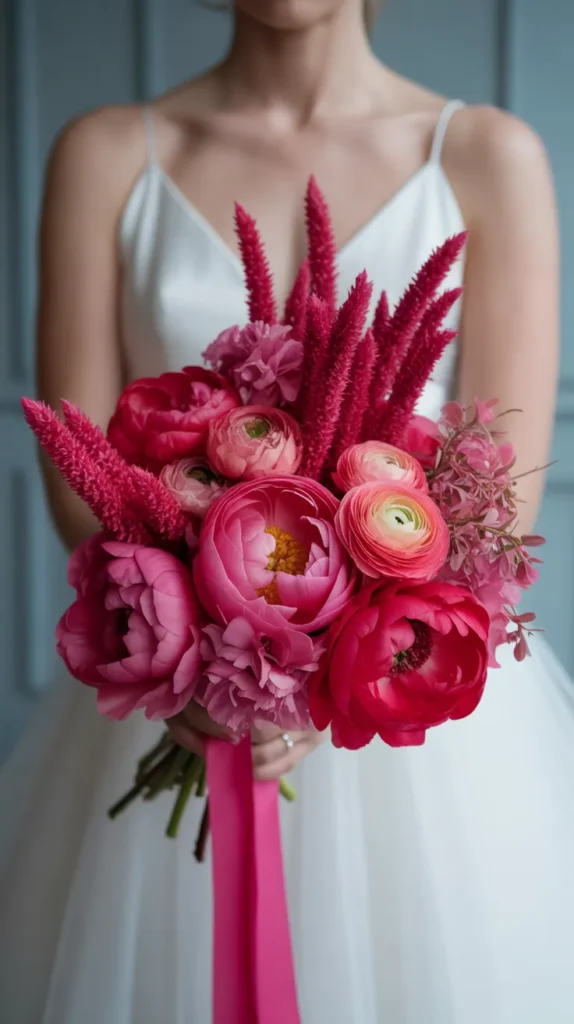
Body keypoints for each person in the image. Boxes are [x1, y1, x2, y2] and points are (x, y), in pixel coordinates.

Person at [1, 0, 572, 1021]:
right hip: (177, 698)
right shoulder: (105, 156)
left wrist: (309, 675)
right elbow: (76, 466)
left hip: (397, 708)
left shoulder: (491, 155)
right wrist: (197, 652)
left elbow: (501, 492)